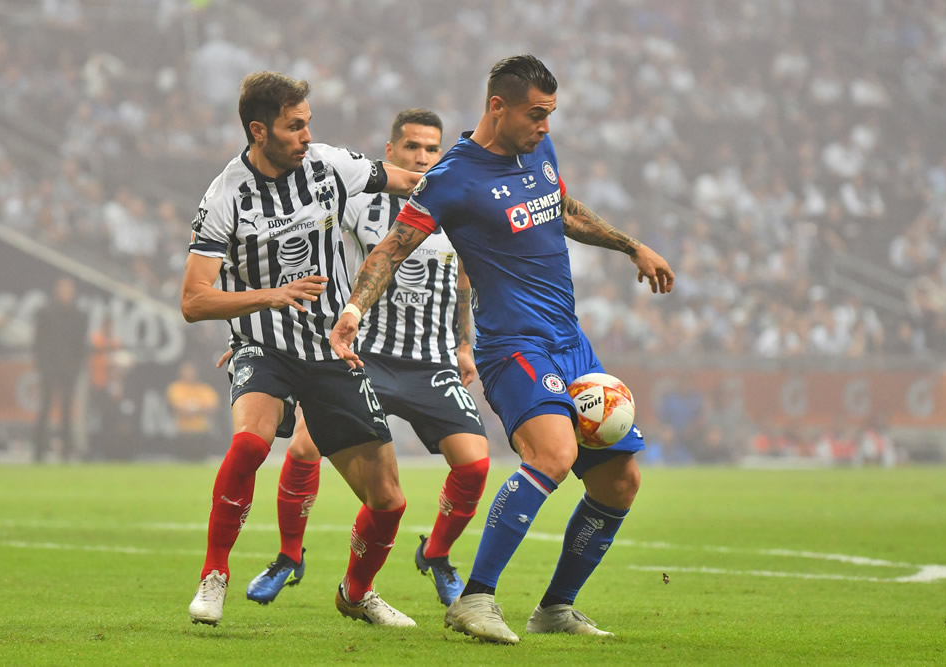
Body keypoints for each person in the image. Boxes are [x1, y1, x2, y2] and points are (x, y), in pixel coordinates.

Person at [330, 55, 675, 643]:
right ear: (497, 106)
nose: (545, 126)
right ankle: (475, 599)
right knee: (553, 455)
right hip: (513, 345)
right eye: (536, 114)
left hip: (570, 341)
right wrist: (353, 312)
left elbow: (562, 210)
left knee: (620, 481)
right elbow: (391, 248)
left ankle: (556, 608)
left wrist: (631, 246)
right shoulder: (452, 178)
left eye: (550, 114)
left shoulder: (539, 150)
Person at [180, 71, 422, 628]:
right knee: (250, 442)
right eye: (294, 126)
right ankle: (214, 575)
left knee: (388, 499)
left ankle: (356, 593)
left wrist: (469, 183)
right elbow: (193, 300)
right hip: (263, 346)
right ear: (259, 131)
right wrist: (270, 296)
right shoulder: (225, 196)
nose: (307, 135)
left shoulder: (328, 165)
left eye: (308, 123)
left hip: (330, 349)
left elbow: (406, 179)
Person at [241, 109, 489, 609]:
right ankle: (289, 556)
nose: (423, 157)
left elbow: (464, 276)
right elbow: (310, 247)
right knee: (304, 448)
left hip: (431, 361)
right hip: (364, 356)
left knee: (476, 466)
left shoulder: (456, 205)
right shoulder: (360, 203)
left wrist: (464, 344)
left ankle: (436, 554)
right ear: (391, 151)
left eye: (432, 149)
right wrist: (261, 327)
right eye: (413, 147)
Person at [32, 276, 89, 462]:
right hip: (49, 367)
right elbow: (39, 343)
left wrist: (76, 368)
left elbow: (80, 346)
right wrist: (43, 366)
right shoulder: (45, 313)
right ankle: (39, 450)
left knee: (67, 410)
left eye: (68, 289)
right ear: (56, 290)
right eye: (63, 289)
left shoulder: (79, 316)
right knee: (45, 407)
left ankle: (66, 450)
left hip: (69, 369)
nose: (66, 293)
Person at [166, 360, 221, 459]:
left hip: (202, 434)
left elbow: (212, 408)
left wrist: (191, 409)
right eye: (186, 370)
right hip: (181, 434)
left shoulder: (205, 389)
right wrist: (199, 409)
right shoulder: (175, 388)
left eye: (191, 370)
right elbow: (177, 408)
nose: (189, 374)